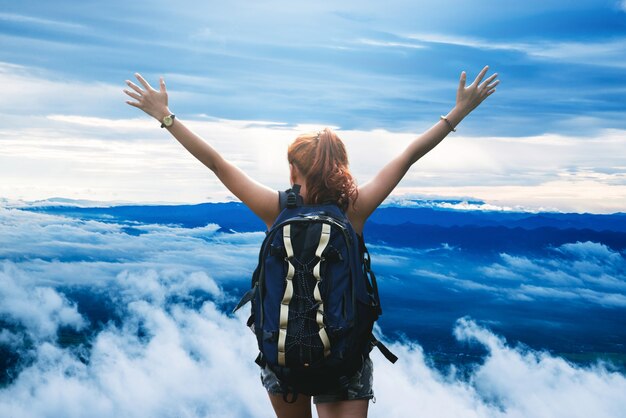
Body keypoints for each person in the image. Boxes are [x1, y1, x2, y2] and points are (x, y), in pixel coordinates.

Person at [123, 66, 499, 418]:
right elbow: (408, 157)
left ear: (293, 168)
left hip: (282, 357)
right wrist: (457, 113)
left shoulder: (275, 209)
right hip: (345, 356)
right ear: (340, 167)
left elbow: (218, 164)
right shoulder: (354, 210)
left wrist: (166, 117)